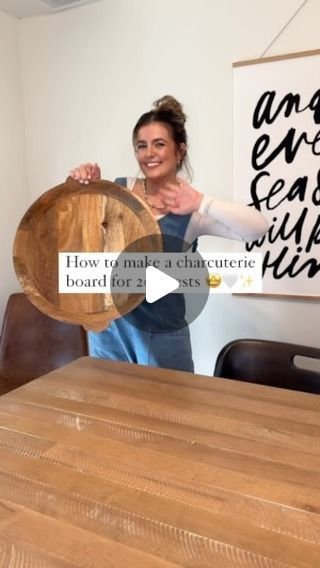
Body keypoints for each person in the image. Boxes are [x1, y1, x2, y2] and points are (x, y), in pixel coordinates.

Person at [69, 95, 269, 372]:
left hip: (162, 334)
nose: (149, 153)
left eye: (159, 144)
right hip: (109, 328)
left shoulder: (193, 211)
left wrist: (202, 202)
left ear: (180, 150)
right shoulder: (118, 190)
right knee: (111, 409)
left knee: (167, 411)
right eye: (142, 146)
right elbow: (76, 234)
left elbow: (257, 229)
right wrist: (82, 186)